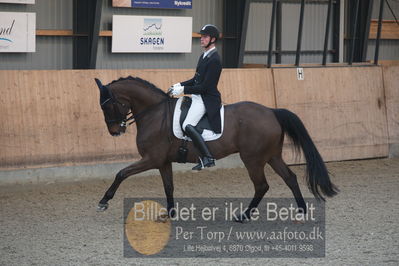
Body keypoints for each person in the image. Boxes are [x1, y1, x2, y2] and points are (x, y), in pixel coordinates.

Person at [169, 24, 222, 171]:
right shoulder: (204, 56)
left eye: (205, 37)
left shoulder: (215, 60)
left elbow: (205, 87)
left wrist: (183, 90)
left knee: (187, 125)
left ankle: (208, 157)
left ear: (212, 39)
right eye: (202, 37)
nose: (202, 39)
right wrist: (178, 84)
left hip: (206, 98)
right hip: (197, 95)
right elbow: (195, 79)